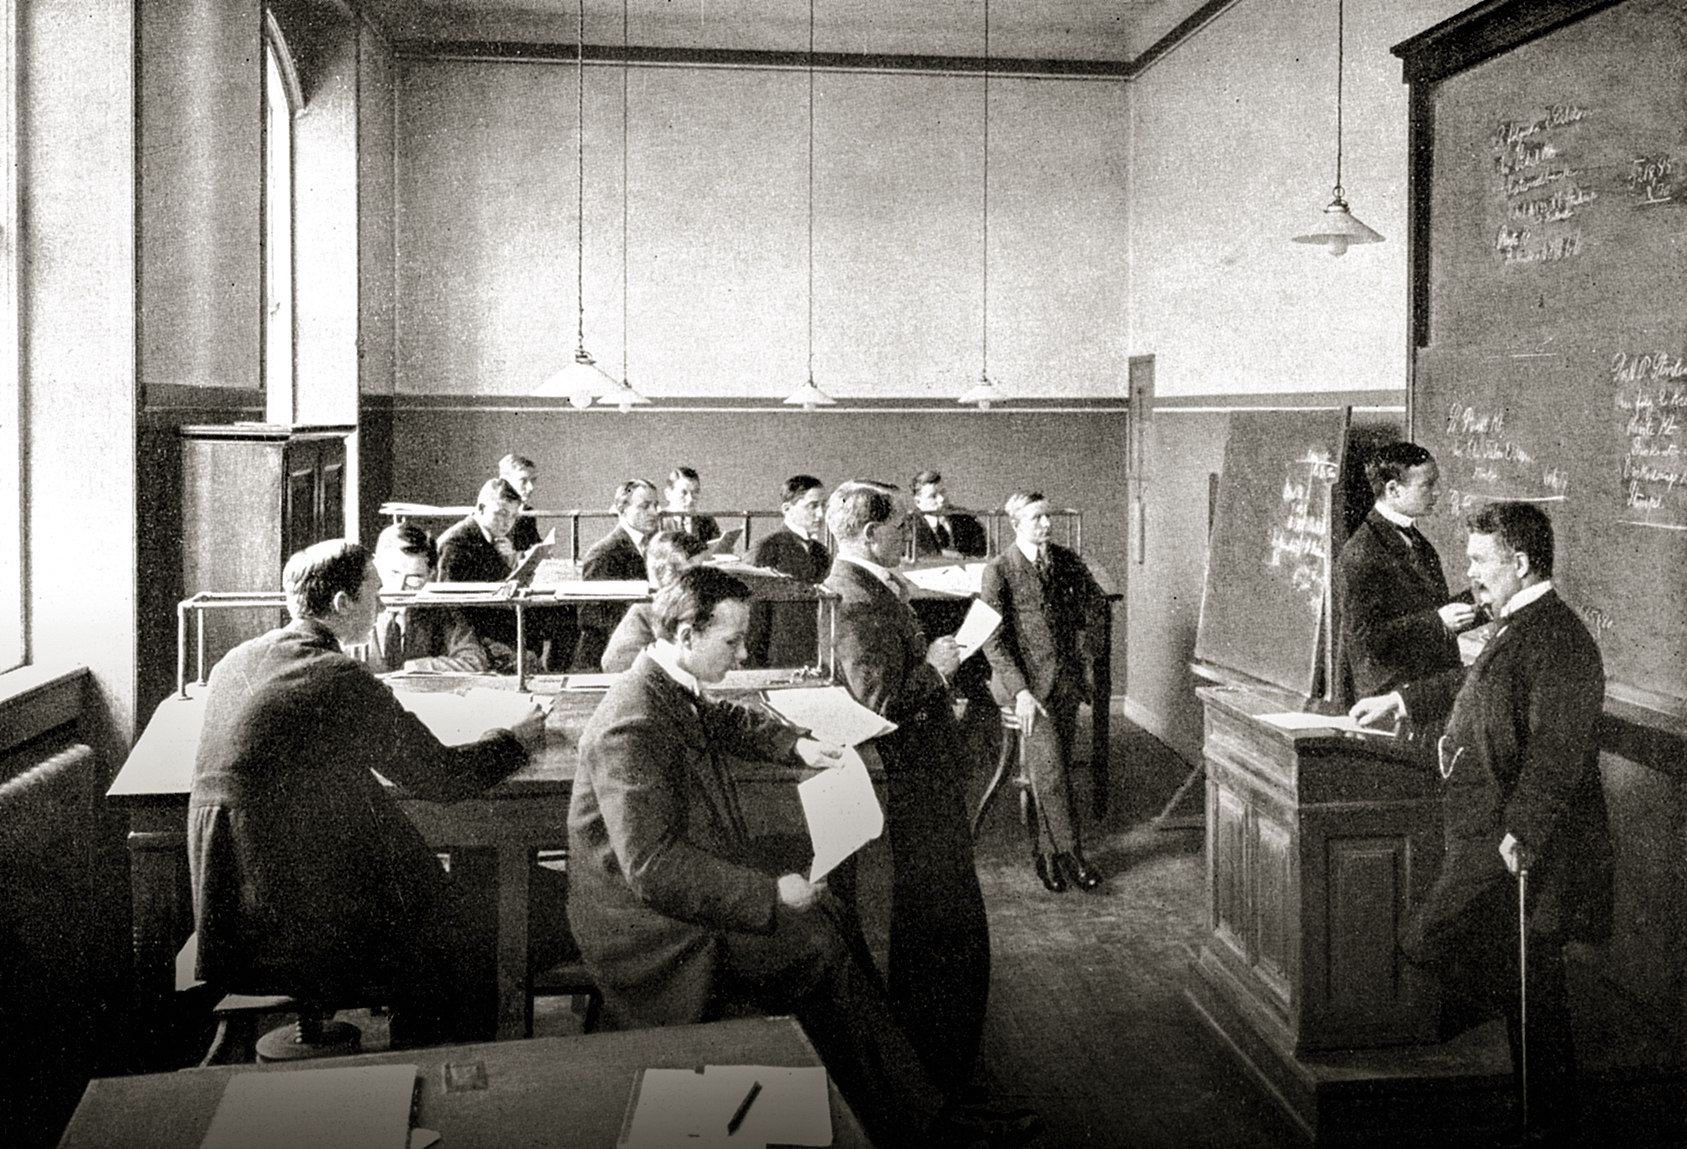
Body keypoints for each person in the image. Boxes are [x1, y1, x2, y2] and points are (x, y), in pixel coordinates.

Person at [567, 567, 1026, 1149]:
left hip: (672, 899)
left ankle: (904, 1107)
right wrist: (768, 894)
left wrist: (793, 742)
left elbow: (721, 718)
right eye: (731, 642)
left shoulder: (664, 683)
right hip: (647, 929)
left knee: (832, 919)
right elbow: (652, 868)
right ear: (685, 635)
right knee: (819, 945)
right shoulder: (630, 724)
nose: (741, 654)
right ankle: (913, 1121)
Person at [187, 539, 553, 1047]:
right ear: (342, 603)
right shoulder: (337, 676)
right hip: (298, 918)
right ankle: (441, 1073)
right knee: (467, 929)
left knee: (446, 892)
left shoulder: (236, 661)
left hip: (233, 914)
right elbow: (441, 777)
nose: (381, 606)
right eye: (374, 594)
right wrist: (515, 740)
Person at [1350, 503, 1612, 1146]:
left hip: (1516, 847)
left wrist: (1518, 834)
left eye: (1478, 562)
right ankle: (1546, 1119)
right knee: (1529, 985)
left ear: (1519, 564)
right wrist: (1403, 699)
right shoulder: (1519, 623)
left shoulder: (1561, 639)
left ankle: (1545, 1122)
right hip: (1488, 835)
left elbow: (1558, 752)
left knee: (1441, 944)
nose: (1468, 576)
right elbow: (1475, 682)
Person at [821, 481, 1008, 1116]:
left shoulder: (866, 585)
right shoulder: (857, 598)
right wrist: (936, 669)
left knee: (942, 928)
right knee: (941, 928)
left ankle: (941, 1067)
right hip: (911, 790)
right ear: (871, 534)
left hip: (920, 780)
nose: (911, 535)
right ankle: (941, 1078)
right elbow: (879, 703)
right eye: (902, 526)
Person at [979, 491, 1107, 895]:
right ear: (1016, 524)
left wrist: (1086, 653)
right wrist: (1020, 692)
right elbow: (993, 642)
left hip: (1064, 683)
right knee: (1049, 771)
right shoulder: (999, 570)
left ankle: (1048, 853)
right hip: (1026, 690)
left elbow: (1096, 607)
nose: (1047, 524)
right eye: (1036, 518)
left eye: (1048, 517)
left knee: (1056, 771)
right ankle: (1068, 855)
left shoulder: (1066, 561)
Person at [1332, 441, 1479, 706]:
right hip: (1389, 701)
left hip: (1422, 691)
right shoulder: (1360, 553)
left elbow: (1427, 608)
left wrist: (1481, 600)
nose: (1437, 493)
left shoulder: (1416, 541)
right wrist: (1438, 622)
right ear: (1392, 489)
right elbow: (1365, 639)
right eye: (1427, 485)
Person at [360, 522, 498, 674]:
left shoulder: (440, 612)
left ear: (430, 576)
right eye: (393, 573)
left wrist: (417, 667)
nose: (399, 588)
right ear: (375, 565)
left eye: (414, 579)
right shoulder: (355, 606)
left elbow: (474, 661)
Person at [437, 478, 532, 659]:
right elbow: (448, 605)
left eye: (513, 516)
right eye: (501, 513)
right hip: (473, 629)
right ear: (481, 509)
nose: (507, 523)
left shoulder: (491, 538)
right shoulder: (456, 542)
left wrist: (509, 560)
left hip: (491, 615)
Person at [573, 478, 663, 670]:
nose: (654, 512)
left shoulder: (650, 546)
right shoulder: (603, 554)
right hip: (604, 662)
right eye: (645, 506)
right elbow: (592, 619)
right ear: (622, 510)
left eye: (655, 505)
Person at [745, 474, 829, 667]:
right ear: (787, 509)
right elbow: (752, 617)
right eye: (813, 506)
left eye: (824, 506)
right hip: (776, 659)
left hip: (813, 657)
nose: (821, 514)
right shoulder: (766, 548)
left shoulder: (821, 553)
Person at [599, 529, 709, 672]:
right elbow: (616, 665)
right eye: (697, 571)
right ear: (670, 575)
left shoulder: (705, 607)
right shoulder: (645, 612)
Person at [911, 470, 988, 560]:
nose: (942, 499)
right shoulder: (910, 526)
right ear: (917, 501)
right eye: (933, 496)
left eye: (943, 492)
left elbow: (982, 552)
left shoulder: (965, 518)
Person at [498, 453, 546, 554]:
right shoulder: (495, 514)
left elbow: (533, 545)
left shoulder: (527, 513)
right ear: (505, 481)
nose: (531, 488)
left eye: (533, 481)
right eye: (523, 481)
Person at [661, 465, 720, 544]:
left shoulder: (707, 521)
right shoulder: (658, 522)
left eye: (695, 492)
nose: (690, 499)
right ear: (668, 494)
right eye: (684, 493)